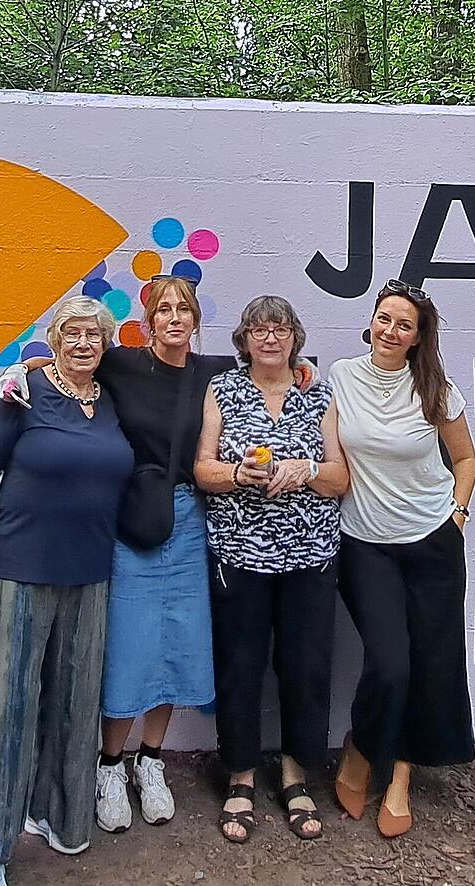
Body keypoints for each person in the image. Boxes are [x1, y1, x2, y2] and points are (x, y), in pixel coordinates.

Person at [0, 276, 232, 831]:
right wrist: (20, 369)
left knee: (179, 644)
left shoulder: (212, 374)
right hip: (133, 522)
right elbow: (65, 360)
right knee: (129, 645)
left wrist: (301, 371)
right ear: (148, 320)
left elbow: (271, 367)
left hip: (189, 520)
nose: (174, 317)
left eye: (185, 309)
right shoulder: (122, 363)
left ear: (196, 319)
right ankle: (110, 765)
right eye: (164, 309)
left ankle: (151, 762)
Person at [0, 297, 134, 886]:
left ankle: (58, 816)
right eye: (71, 334)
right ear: (53, 341)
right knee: (14, 701)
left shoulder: (113, 401)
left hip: (91, 570)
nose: (82, 344)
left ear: (104, 345)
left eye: (93, 335)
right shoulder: (19, 393)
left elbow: (182, 374)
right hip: (23, 567)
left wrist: (294, 367)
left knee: (76, 699)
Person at [325, 279, 475, 839]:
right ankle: (361, 750)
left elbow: (464, 458)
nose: (390, 331)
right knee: (390, 662)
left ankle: (400, 780)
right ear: (371, 322)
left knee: (431, 664)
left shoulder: (435, 388)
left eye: (404, 325)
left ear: (417, 337)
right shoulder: (341, 377)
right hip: (364, 542)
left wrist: (457, 514)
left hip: (433, 542)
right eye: (384, 319)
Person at [192, 295, 348, 844]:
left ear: (295, 338)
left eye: (280, 328)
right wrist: (239, 475)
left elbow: (339, 479)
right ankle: (240, 775)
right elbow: (201, 470)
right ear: (244, 339)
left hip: (310, 558)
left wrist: (305, 469)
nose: (270, 338)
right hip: (240, 556)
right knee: (240, 667)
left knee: (305, 667)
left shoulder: (319, 393)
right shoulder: (223, 391)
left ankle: (296, 773)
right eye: (258, 329)